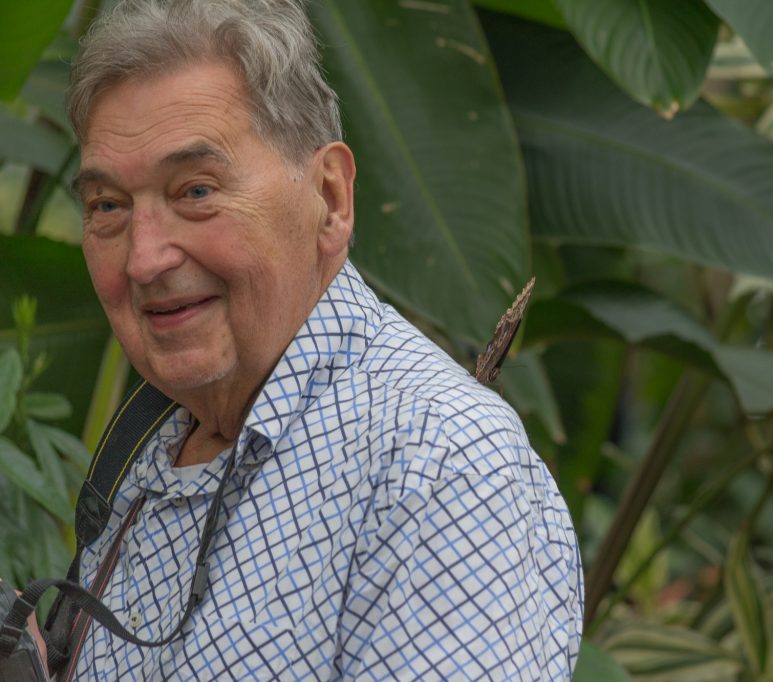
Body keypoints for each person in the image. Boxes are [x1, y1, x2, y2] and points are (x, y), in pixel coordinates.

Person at [43, 0, 582, 678]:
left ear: (329, 195)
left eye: (196, 190)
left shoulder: (438, 459)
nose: (144, 259)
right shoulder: (153, 446)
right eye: (108, 207)